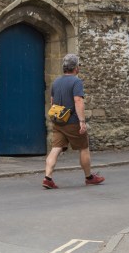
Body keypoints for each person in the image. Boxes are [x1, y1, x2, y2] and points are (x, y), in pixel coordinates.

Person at [42, 54, 105, 189]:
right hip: (72, 121)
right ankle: (89, 177)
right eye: (79, 65)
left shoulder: (56, 82)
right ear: (76, 68)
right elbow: (78, 100)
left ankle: (48, 177)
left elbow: (53, 102)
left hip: (58, 121)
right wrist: (82, 121)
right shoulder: (76, 82)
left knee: (55, 148)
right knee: (83, 147)